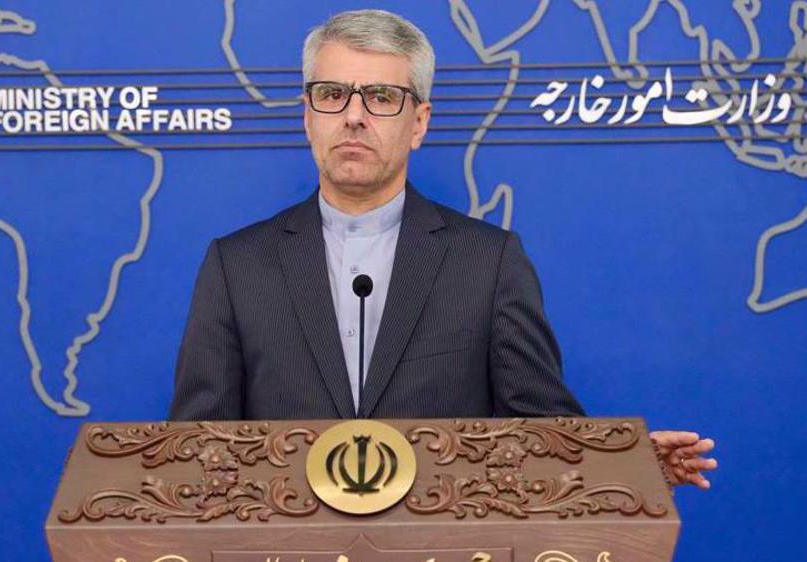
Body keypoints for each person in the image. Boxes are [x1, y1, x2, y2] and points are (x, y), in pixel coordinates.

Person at [168, 9, 717, 489]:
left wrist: (625, 468)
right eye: (333, 94)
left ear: (419, 123)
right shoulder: (236, 266)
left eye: (381, 97)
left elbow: (542, 433)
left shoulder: (488, 263)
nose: (353, 116)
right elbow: (193, 455)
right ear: (309, 116)